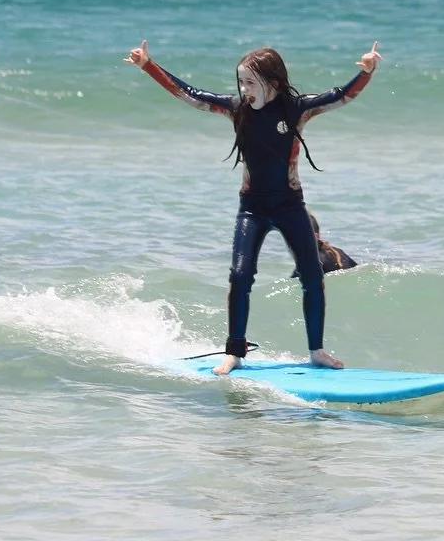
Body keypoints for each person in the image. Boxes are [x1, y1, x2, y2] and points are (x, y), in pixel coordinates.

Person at [125, 38, 382, 376]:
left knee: (312, 275)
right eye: (241, 82)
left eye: (250, 82)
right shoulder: (238, 109)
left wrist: (366, 73)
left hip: (290, 205)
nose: (244, 89)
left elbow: (341, 96)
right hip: (253, 208)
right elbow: (191, 95)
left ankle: (317, 351)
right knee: (240, 275)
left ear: (272, 83)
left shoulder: (296, 109)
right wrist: (149, 66)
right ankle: (234, 352)